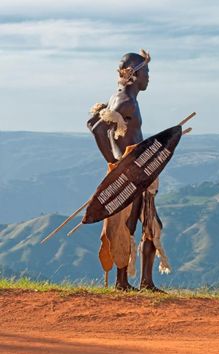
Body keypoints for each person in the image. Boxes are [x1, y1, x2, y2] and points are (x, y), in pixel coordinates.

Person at [87, 50, 170, 291]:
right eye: (146, 72)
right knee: (129, 225)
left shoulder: (119, 98)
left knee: (145, 223)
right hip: (130, 173)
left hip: (136, 171)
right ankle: (127, 282)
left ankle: (140, 281)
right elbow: (97, 129)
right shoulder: (126, 101)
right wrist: (116, 163)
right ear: (133, 74)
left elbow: (95, 124)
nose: (148, 77)